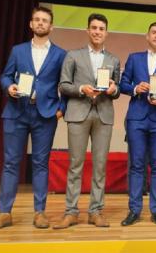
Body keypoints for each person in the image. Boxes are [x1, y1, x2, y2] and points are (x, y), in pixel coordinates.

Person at [0, 7, 66, 231]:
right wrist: (8, 86)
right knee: (11, 163)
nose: (40, 23)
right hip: (16, 112)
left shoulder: (61, 54)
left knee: (40, 164)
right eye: (37, 20)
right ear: (31, 24)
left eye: (45, 20)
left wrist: (61, 110)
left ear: (51, 26)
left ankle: (39, 212)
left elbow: (65, 85)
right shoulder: (17, 50)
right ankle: (4, 213)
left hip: (45, 115)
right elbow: (6, 75)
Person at [53, 13, 120, 229]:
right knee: (75, 165)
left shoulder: (114, 59)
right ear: (87, 30)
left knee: (100, 166)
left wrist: (114, 88)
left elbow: (116, 89)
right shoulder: (73, 55)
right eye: (94, 28)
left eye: (101, 28)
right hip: (78, 113)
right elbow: (63, 85)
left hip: (103, 114)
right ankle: (71, 212)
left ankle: (95, 211)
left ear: (106, 32)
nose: (97, 31)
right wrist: (81, 88)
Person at [120, 21, 156, 226]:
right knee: (136, 165)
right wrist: (136, 88)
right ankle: (134, 210)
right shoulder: (134, 58)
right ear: (147, 36)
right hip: (137, 117)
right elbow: (123, 84)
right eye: (153, 32)